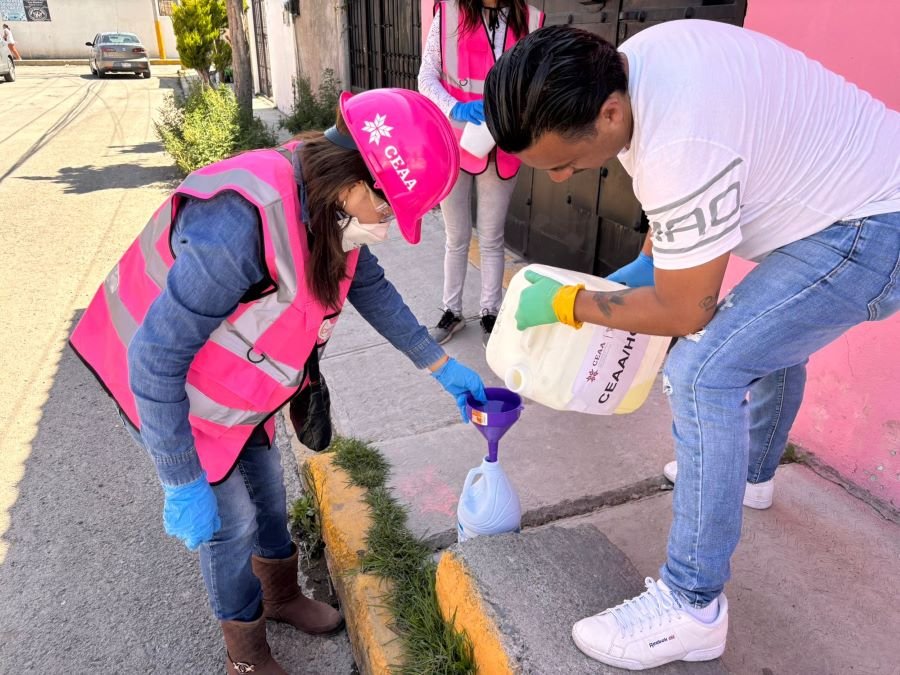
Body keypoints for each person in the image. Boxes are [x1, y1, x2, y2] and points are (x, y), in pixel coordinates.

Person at [483, 21, 900, 671]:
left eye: (562, 159)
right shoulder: (640, 62)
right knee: (763, 340)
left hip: (871, 227)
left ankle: (691, 604)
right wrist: (631, 280)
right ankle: (751, 476)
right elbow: (675, 217)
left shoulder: (677, 138)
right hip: (852, 198)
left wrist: (572, 302)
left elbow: (685, 307)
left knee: (704, 369)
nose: (562, 177)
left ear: (610, 111)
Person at [69, 88, 488, 675]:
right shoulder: (240, 222)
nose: (388, 227)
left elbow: (369, 289)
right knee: (230, 522)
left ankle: (282, 596)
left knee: (268, 494)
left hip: (232, 391)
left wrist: (441, 367)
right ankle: (246, 651)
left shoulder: (325, 204)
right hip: (164, 385)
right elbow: (155, 360)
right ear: (356, 182)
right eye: (389, 209)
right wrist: (180, 478)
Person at [418, 0, 543, 347]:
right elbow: (426, 75)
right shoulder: (450, 14)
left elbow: (537, 83)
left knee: (490, 238)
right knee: (457, 237)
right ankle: (452, 311)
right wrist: (454, 106)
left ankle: (491, 311)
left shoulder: (530, 19)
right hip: (457, 140)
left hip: (502, 143)